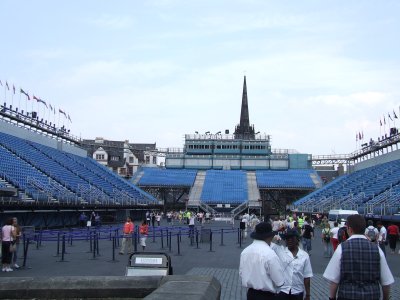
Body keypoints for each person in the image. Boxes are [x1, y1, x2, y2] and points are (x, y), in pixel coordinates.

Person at [323, 214, 394, 300]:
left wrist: (332, 298)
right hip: (371, 296)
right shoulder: (377, 249)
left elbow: (334, 280)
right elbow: (386, 282)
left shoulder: (341, 248)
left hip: (347, 295)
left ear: (349, 229)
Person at [239, 222, 285, 299]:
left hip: (251, 294)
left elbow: (241, 273)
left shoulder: (245, 252)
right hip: (267, 296)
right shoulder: (270, 254)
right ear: (270, 237)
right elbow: (279, 281)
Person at [271, 229, 313, 300]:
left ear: (297, 239)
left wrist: (308, 294)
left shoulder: (304, 255)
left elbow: (307, 276)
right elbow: (268, 241)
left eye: (292, 238)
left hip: (297, 292)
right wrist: (276, 237)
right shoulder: (280, 250)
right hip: (282, 291)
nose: (289, 240)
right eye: (287, 239)